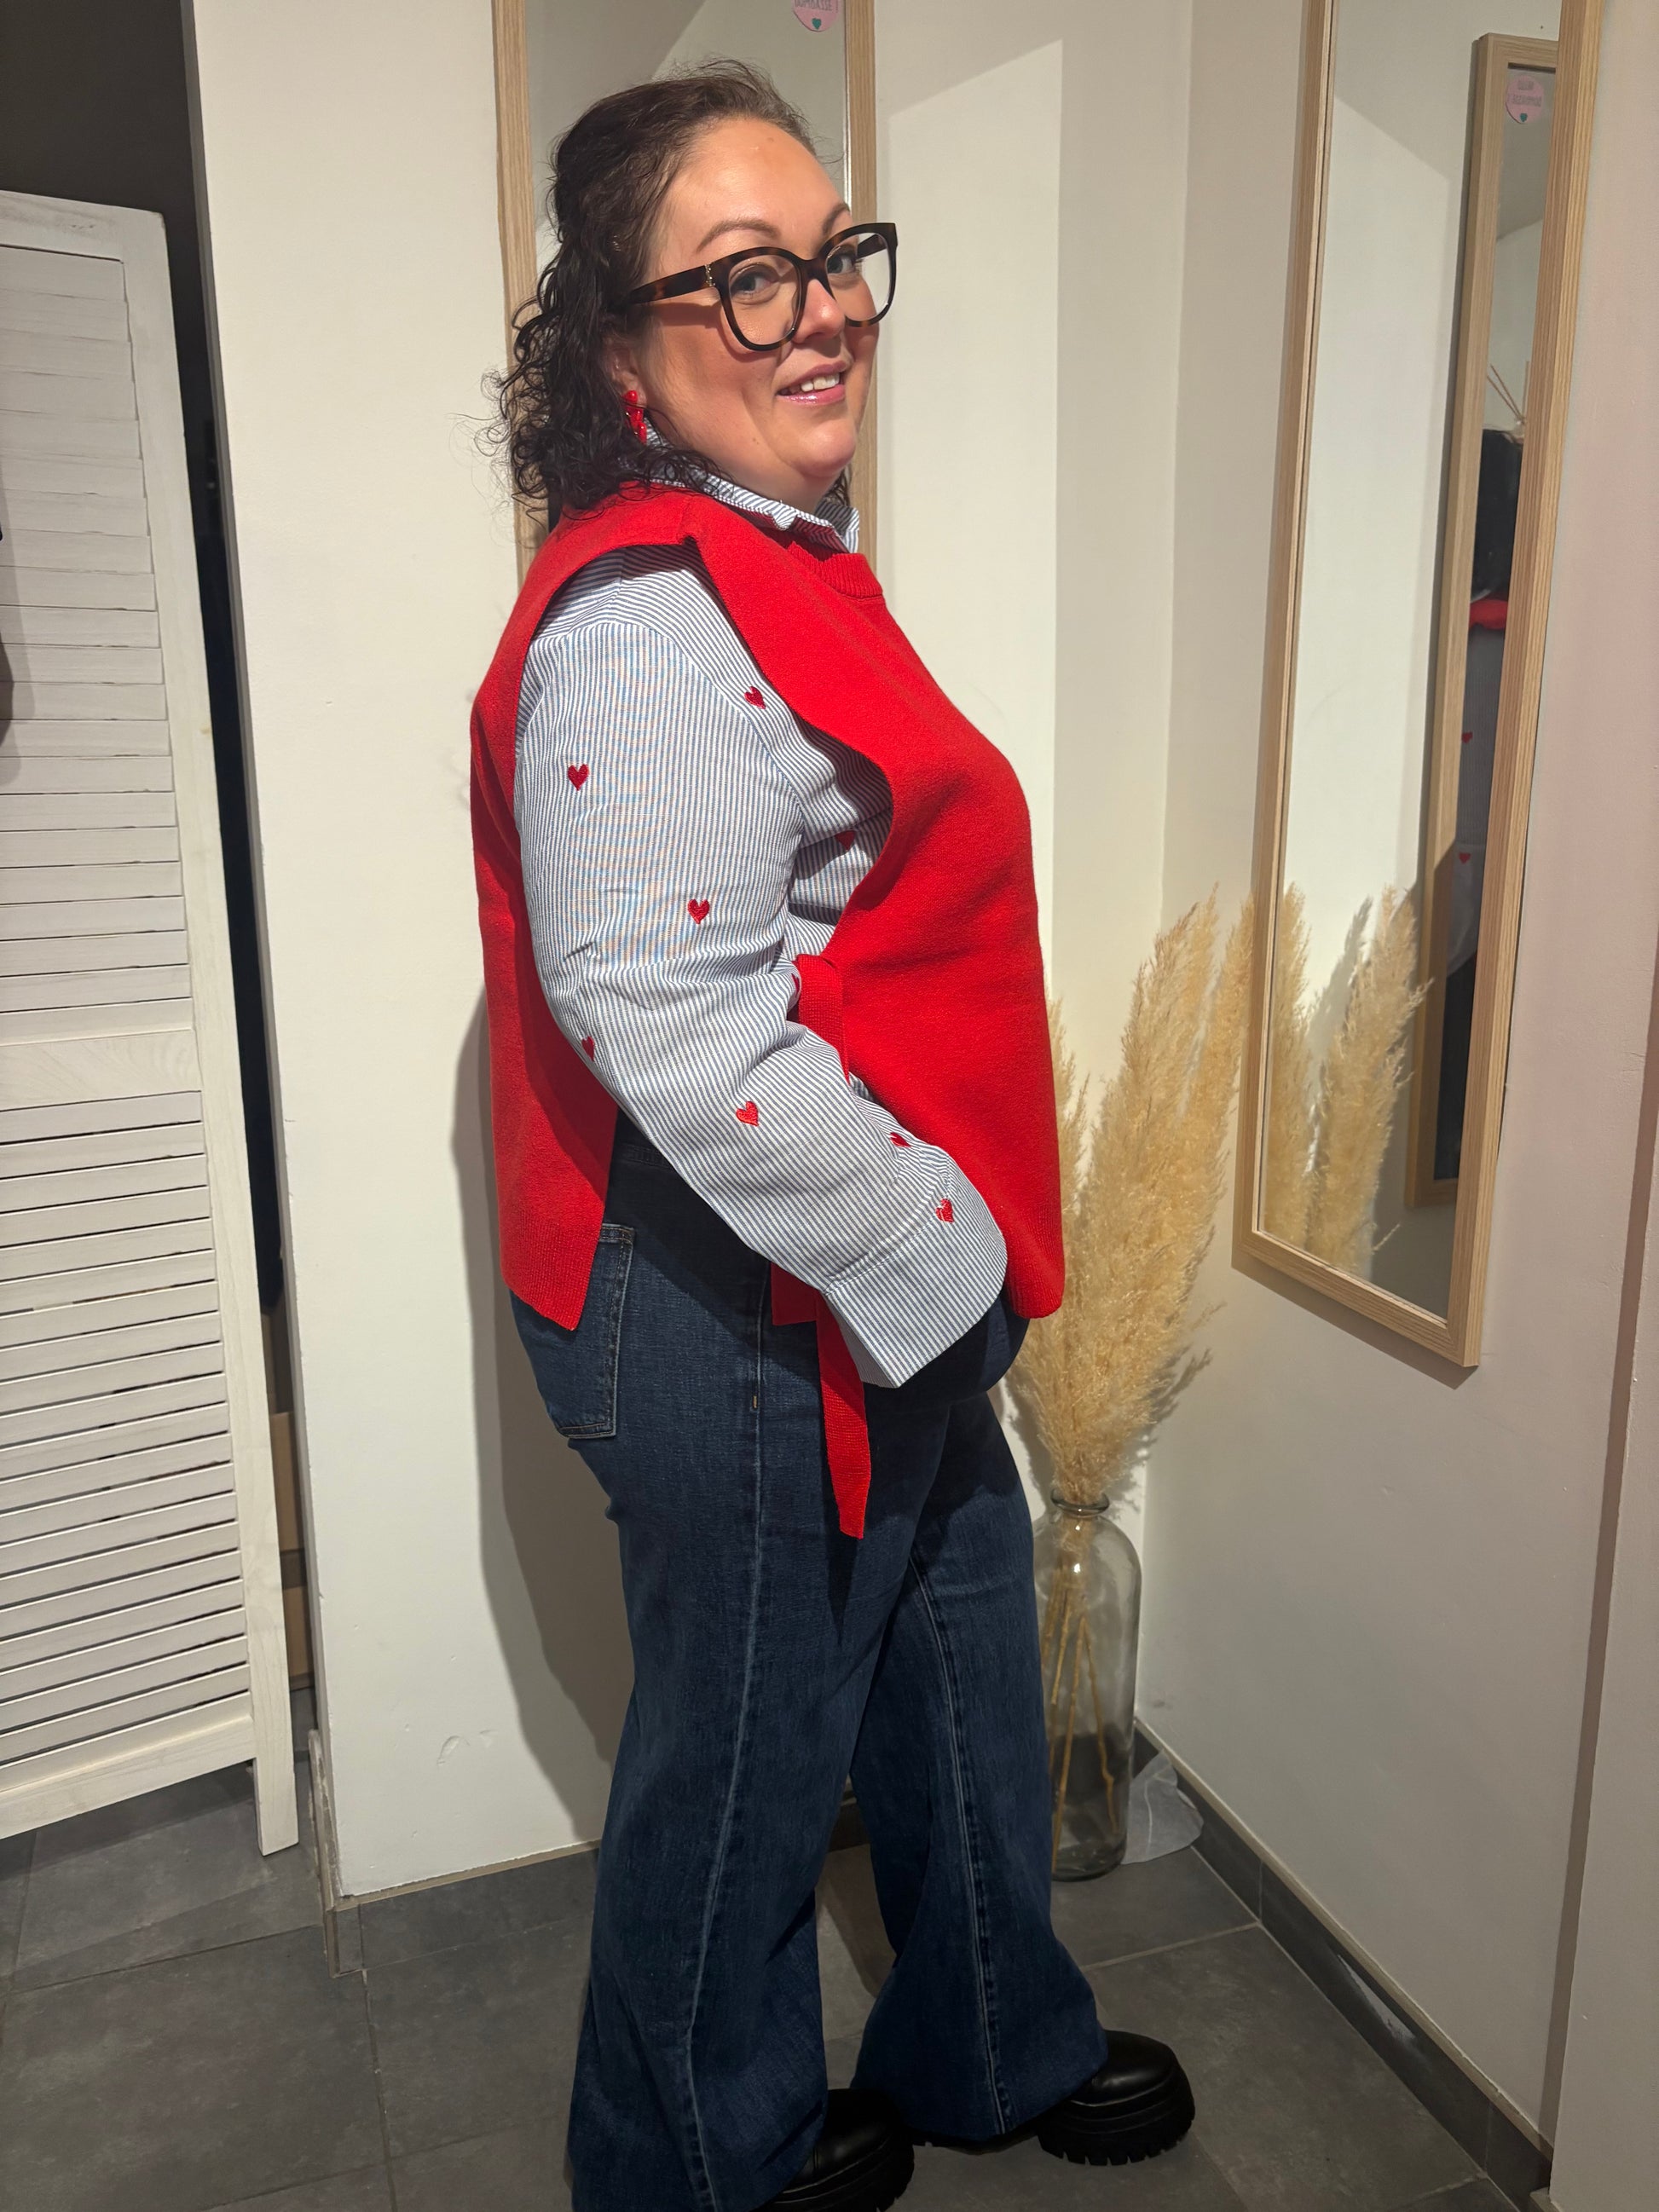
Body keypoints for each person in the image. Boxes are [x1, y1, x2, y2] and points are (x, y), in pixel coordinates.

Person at [474, 60, 1194, 2212]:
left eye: (834, 255)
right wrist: (937, 1256)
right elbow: (664, 1017)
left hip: (842, 1255)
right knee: (749, 1746)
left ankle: (987, 2031)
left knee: (959, 1639)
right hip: (723, 1289)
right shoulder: (644, 619)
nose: (820, 309)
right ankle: (697, 2159)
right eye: (745, 274)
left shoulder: (767, 561)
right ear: (621, 354)